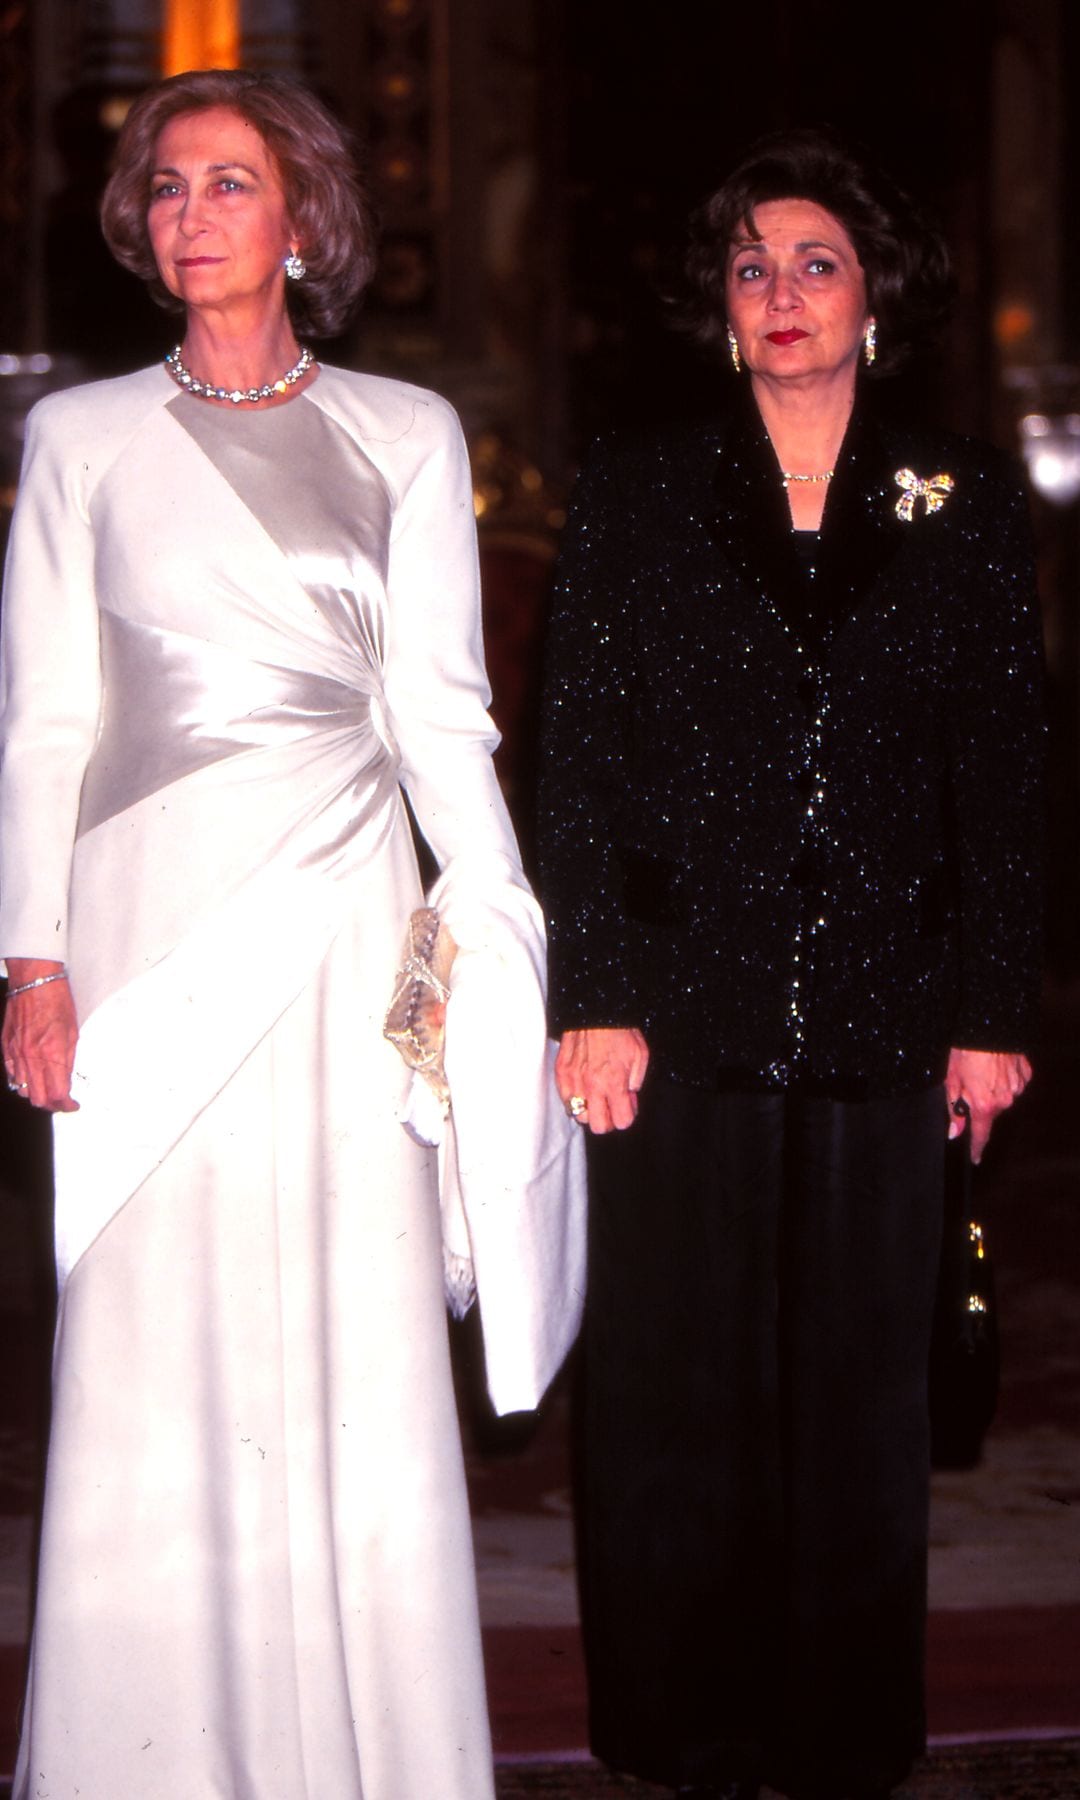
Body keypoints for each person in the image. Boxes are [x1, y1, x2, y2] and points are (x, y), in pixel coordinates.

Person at [0, 68, 583, 1800]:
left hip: (346, 926)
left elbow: (444, 718)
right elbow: (41, 721)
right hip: (143, 943)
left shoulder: (407, 430)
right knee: (152, 1332)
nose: (191, 214)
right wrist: (31, 957)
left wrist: (499, 923)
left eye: (229, 183)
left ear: (307, 217)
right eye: (166, 187)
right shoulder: (76, 440)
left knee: (348, 1319)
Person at [538, 129, 1043, 1800]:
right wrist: (593, 989)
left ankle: (837, 1733)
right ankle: (679, 1728)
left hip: (893, 1010)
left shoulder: (957, 494)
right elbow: (581, 754)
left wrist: (992, 1013)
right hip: (678, 1007)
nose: (783, 293)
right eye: (751, 266)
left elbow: (1008, 769)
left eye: (816, 262)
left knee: (856, 1402)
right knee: (673, 1391)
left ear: (874, 293)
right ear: (718, 301)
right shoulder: (638, 480)